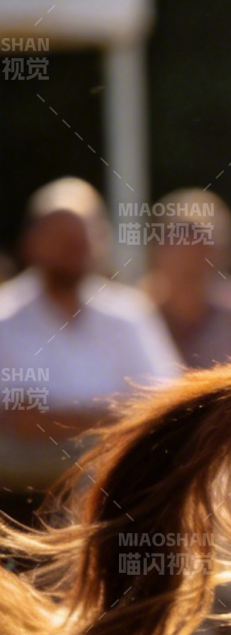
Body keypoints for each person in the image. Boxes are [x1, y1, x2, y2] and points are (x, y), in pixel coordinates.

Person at [0, 178, 182, 449]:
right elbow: (17, 420)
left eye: (80, 240)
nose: (72, 250)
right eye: (62, 240)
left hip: (116, 470)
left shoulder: (130, 313)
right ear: (31, 241)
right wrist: (116, 417)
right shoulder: (5, 318)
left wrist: (52, 419)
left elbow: (164, 406)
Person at [142, 189, 231, 368]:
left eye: (204, 245)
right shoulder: (136, 311)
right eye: (178, 242)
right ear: (156, 250)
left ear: (226, 254)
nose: (190, 258)